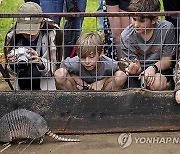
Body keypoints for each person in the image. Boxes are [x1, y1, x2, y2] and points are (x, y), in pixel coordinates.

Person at [4, 2, 62, 90]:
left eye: (32, 31)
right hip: (22, 79)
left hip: (45, 81)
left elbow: (56, 68)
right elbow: (12, 73)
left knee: (34, 71)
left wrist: (40, 62)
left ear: (42, 24)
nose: (28, 34)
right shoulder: (12, 36)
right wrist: (12, 64)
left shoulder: (53, 35)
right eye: (25, 31)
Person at [120, 0, 176, 90]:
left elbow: (167, 60)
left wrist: (153, 68)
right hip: (137, 75)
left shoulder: (167, 29)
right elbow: (131, 65)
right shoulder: (126, 36)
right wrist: (136, 70)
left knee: (157, 83)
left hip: (160, 70)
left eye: (142, 21)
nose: (136, 25)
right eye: (134, 19)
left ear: (154, 19)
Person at [54, 32, 127, 90]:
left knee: (121, 76)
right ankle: (73, 100)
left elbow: (119, 74)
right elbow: (60, 71)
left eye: (91, 57)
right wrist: (78, 80)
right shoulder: (74, 63)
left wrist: (102, 82)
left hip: (102, 90)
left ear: (101, 53)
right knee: (60, 75)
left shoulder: (110, 64)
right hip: (77, 90)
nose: (87, 61)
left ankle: (106, 101)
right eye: (82, 57)